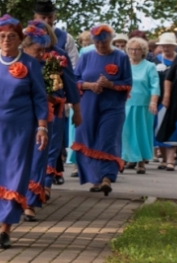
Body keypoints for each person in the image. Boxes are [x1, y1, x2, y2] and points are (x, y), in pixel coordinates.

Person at [0, 16, 48, 249]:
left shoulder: (31, 64)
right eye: (2, 36)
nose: (6, 40)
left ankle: (5, 229)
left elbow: (40, 98)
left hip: (20, 131)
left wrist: (42, 126)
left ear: (20, 39)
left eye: (12, 36)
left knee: (14, 177)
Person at [72, 24, 132, 195]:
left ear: (110, 41)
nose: (100, 46)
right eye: (97, 43)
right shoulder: (86, 56)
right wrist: (89, 85)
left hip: (112, 107)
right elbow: (75, 80)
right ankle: (96, 179)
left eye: (103, 43)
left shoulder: (121, 57)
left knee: (107, 139)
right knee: (88, 139)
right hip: (88, 106)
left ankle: (107, 177)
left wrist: (110, 84)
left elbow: (128, 83)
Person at [23, 20, 78, 205]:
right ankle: (29, 191)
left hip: (54, 110)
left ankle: (44, 186)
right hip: (26, 112)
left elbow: (66, 85)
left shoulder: (57, 56)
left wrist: (77, 110)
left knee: (49, 151)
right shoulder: (20, 56)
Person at [123, 37, 160, 174]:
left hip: (144, 105)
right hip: (126, 104)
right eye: (131, 49)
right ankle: (127, 158)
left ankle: (141, 162)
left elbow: (155, 86)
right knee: (126, 133)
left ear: (143, 51)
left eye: (137, 49)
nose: (134, 52)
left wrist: (153, 101)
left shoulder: (149, 66)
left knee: (142, 132)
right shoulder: (124, 65)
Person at [155, 33, 177, 170]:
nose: (165, 47)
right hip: (166, 99)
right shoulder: (156, 60)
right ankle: (166, 159)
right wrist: (165, 97)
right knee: (166, 127)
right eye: (163, 45)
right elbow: (167, 79)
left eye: (169, 45)